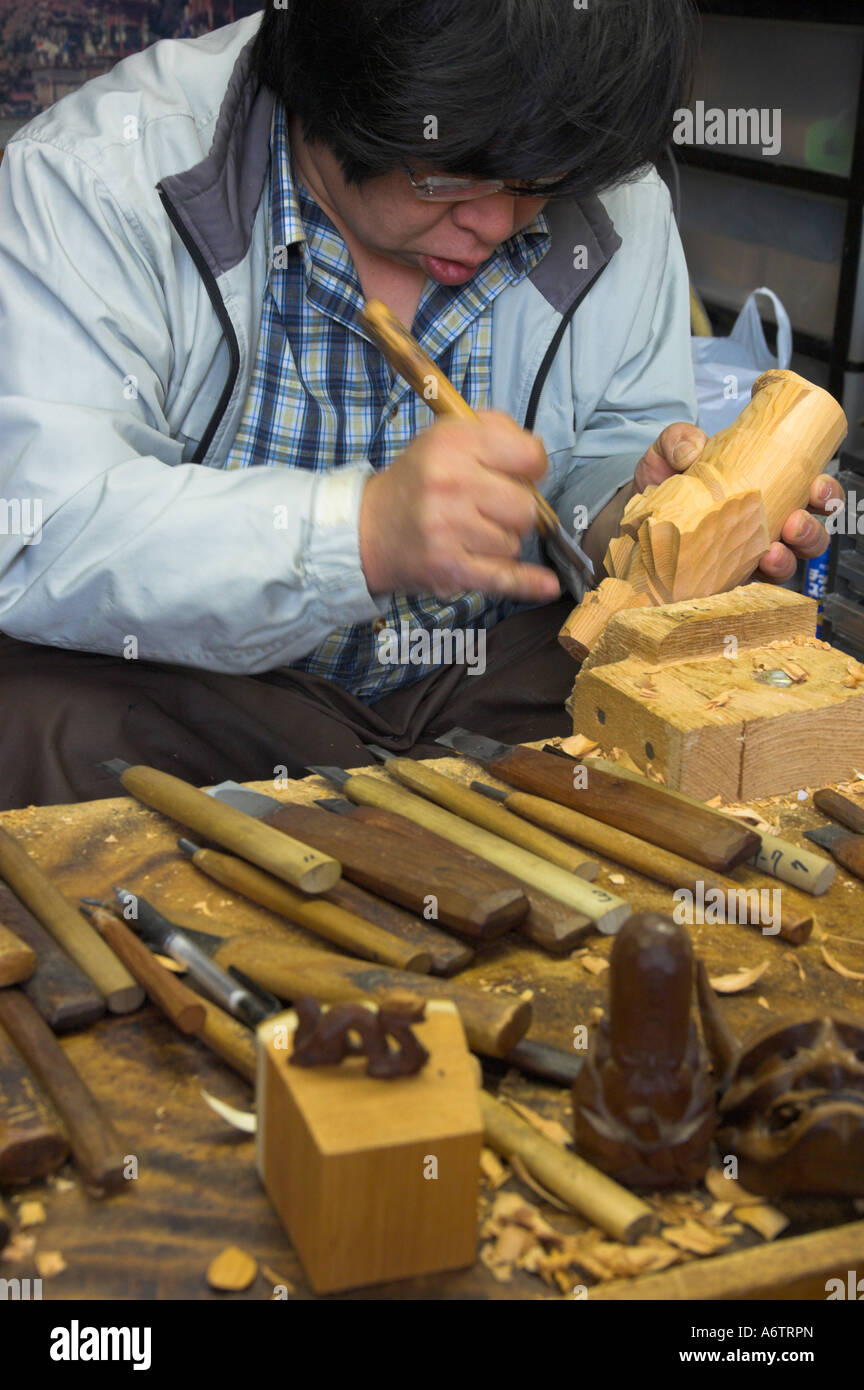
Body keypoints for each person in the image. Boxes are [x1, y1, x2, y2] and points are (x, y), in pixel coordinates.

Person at [0, 1, 840, 809]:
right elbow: (42, 531)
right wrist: (357, 535)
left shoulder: (606, 187)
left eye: (536, 182)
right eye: (452, 173)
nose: (496, 221)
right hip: (210, 684)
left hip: (496, 673)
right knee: (39, 728)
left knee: (683, 717)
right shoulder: (97, 179)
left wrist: (639, 507)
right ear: (333, 83)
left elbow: (616, 437)